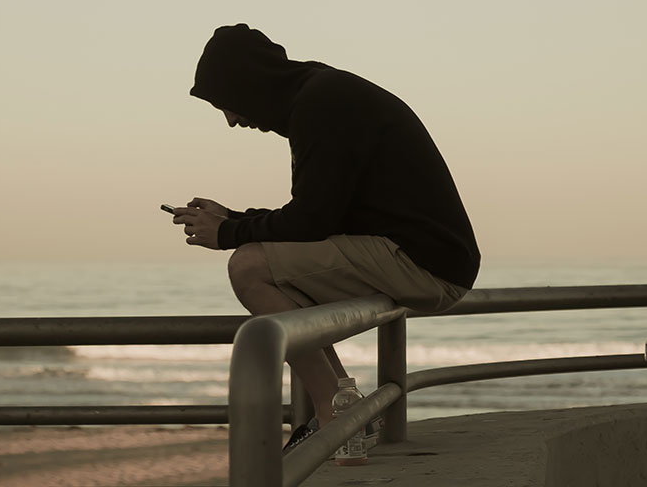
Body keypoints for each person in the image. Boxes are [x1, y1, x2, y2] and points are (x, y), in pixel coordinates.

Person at [171, 24, 481, 448]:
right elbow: (323, 214)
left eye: (228, 103)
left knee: (248, 268)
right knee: (270, 272)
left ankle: (334, 416)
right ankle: (341, 407)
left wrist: (228, 233)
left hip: (423, 262)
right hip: (428, 255)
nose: (232, 120)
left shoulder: (320, 105)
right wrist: (235, 218)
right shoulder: (322, 95)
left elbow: (312, 222)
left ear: (250, 84)